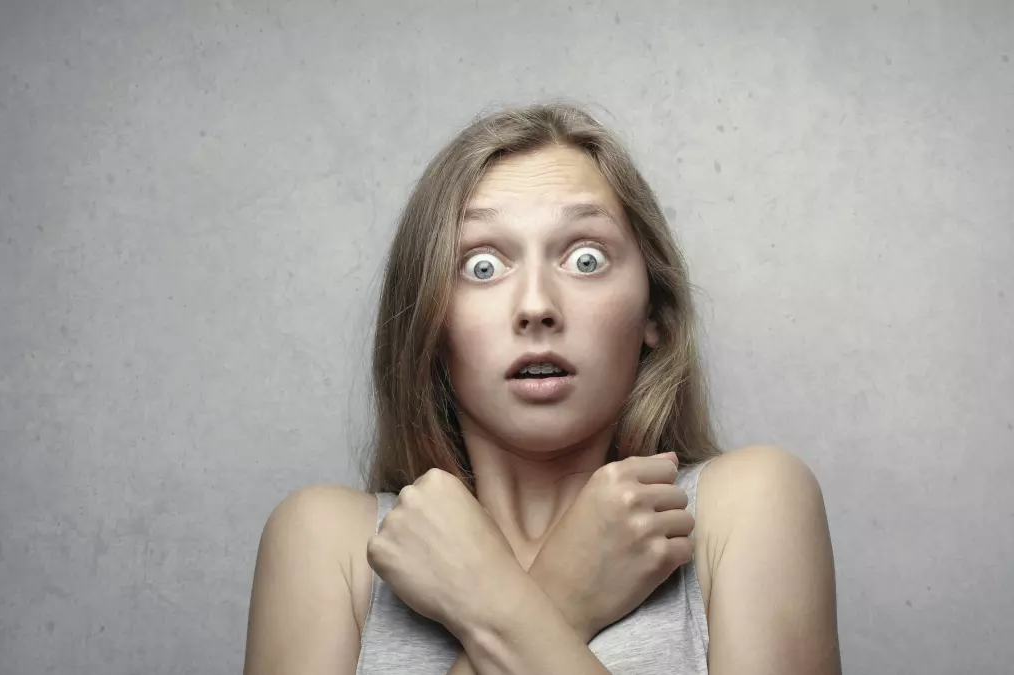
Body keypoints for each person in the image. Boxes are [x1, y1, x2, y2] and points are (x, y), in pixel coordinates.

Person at [243, 101, 840, 675]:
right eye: (482, 266)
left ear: (653, 311)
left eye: (585, 260)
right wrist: (565, 593)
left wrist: (489, 601)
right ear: (428, 318)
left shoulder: (744, 507)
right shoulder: (327, 545)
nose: (536, 306)